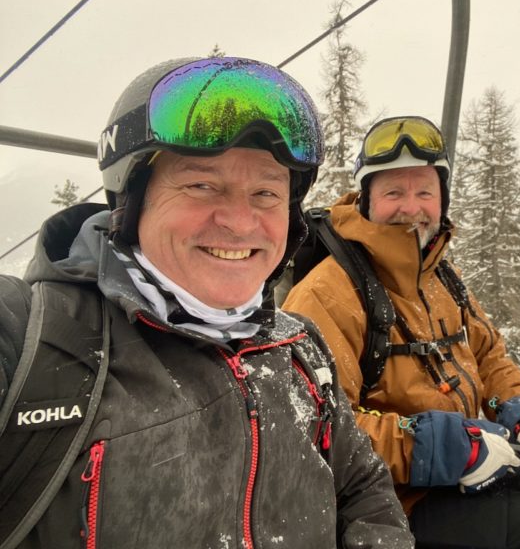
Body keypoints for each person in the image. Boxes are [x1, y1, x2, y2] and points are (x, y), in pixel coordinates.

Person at [0, 58, 414, 548]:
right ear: (131, 201)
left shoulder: (299, 347)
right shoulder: (29, 341)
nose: (240, 223)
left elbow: (363, 488)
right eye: (201, 185)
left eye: (265, 192)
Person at [282, 116, 520, 548]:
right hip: (384, 504)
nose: (411, 206)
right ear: (367, 201)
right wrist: (429, 446)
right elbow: (316, 426)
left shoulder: (441, 280)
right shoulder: (329, 293)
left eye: (424, 192)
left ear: (443, 199)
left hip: (459, 480)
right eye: (393, 192)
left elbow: (489, 356)